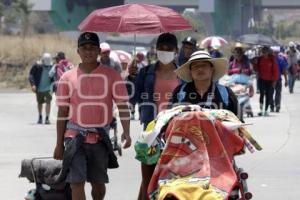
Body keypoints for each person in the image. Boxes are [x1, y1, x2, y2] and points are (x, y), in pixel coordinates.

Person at [53, 32, 131, 200]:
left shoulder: (112, 76)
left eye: (92, 48)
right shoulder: (67, 78)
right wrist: (59, 144)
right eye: (84, 48)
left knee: (98, 185)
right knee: (76, 182)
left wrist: (126, 131)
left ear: (98, 51)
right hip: (73, 138)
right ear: (78, 51)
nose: (88, 51)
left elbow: (123, 106)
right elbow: (62, 113)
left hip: (100, 138)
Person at [131, 32, 180, 200]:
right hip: (151, 132)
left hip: (177, 132)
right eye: (161, 48)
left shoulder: (185, 75)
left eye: (169, 48)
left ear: (176, 50)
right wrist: (131, 77)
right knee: (149, 175)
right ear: (155, 49)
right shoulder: (145, 73)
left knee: (174, 177)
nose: (164, 51)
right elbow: (132, 97)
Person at [171, 50, 239, 117]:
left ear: (212, 69)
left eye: (204, 65)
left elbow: (238, 121)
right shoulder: (179, 92)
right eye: (195, 66)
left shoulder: (226, 93)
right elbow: (170, 119)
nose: (200, 69)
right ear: (190, 71)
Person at [29, 53, 54, 124]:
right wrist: (33, 84)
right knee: (40, 103)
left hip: (48, 88)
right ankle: (40, 117)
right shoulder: (37, 66)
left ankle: (47, 118)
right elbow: (31, 75)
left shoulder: (52, 66)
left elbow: (54, 76)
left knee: (48, 102)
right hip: (39, 88)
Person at [253, 46, 279, 116]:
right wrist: (255, 63)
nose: (264, 53)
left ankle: (266, 110)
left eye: (265, 52)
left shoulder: (272, 60)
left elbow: (275, 71)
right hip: (261, 79)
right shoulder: (259, 59)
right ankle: (261, 110)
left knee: (268, 95)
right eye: (263, 52)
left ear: (268, 52)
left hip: (270, 81)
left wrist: (274, 81)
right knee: (261, 94)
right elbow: (256, 69)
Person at [270, 46, 288, 112]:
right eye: (274, 52)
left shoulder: (281, 60)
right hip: (270, 80)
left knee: (278, 93)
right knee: (270, 93)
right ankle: (272, 106)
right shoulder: (269, 59)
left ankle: (277, 105)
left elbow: (284, 71)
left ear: (278, 52)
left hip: (278, 79)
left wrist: (286, 80)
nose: (275, 54)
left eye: (276, 52)